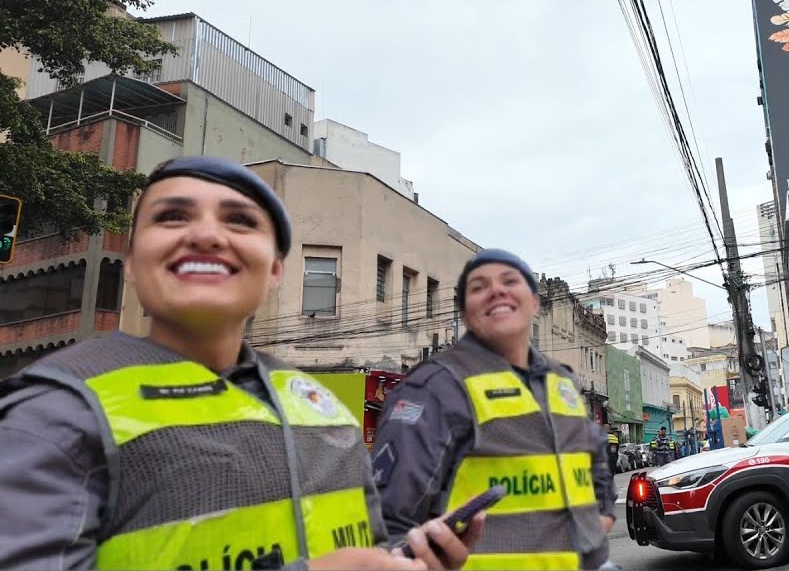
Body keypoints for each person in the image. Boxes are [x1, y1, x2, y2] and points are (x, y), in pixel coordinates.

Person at [0, 156, 479, 570]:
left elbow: (361, 547)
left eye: (240, 221)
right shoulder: (56, 413)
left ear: (275, 270)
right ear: (131, 262)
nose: (207, 234)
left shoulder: (321, 407)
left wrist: (406, 557)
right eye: (171, 217)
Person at [372, 249, 615, 570]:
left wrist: (603, 518)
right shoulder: (434, 388)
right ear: (464, 311)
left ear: (534, 303)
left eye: (510, 281)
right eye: (478, 287)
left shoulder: (561, 381)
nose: (496, 290)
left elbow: (596, 462)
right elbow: (387, 523)